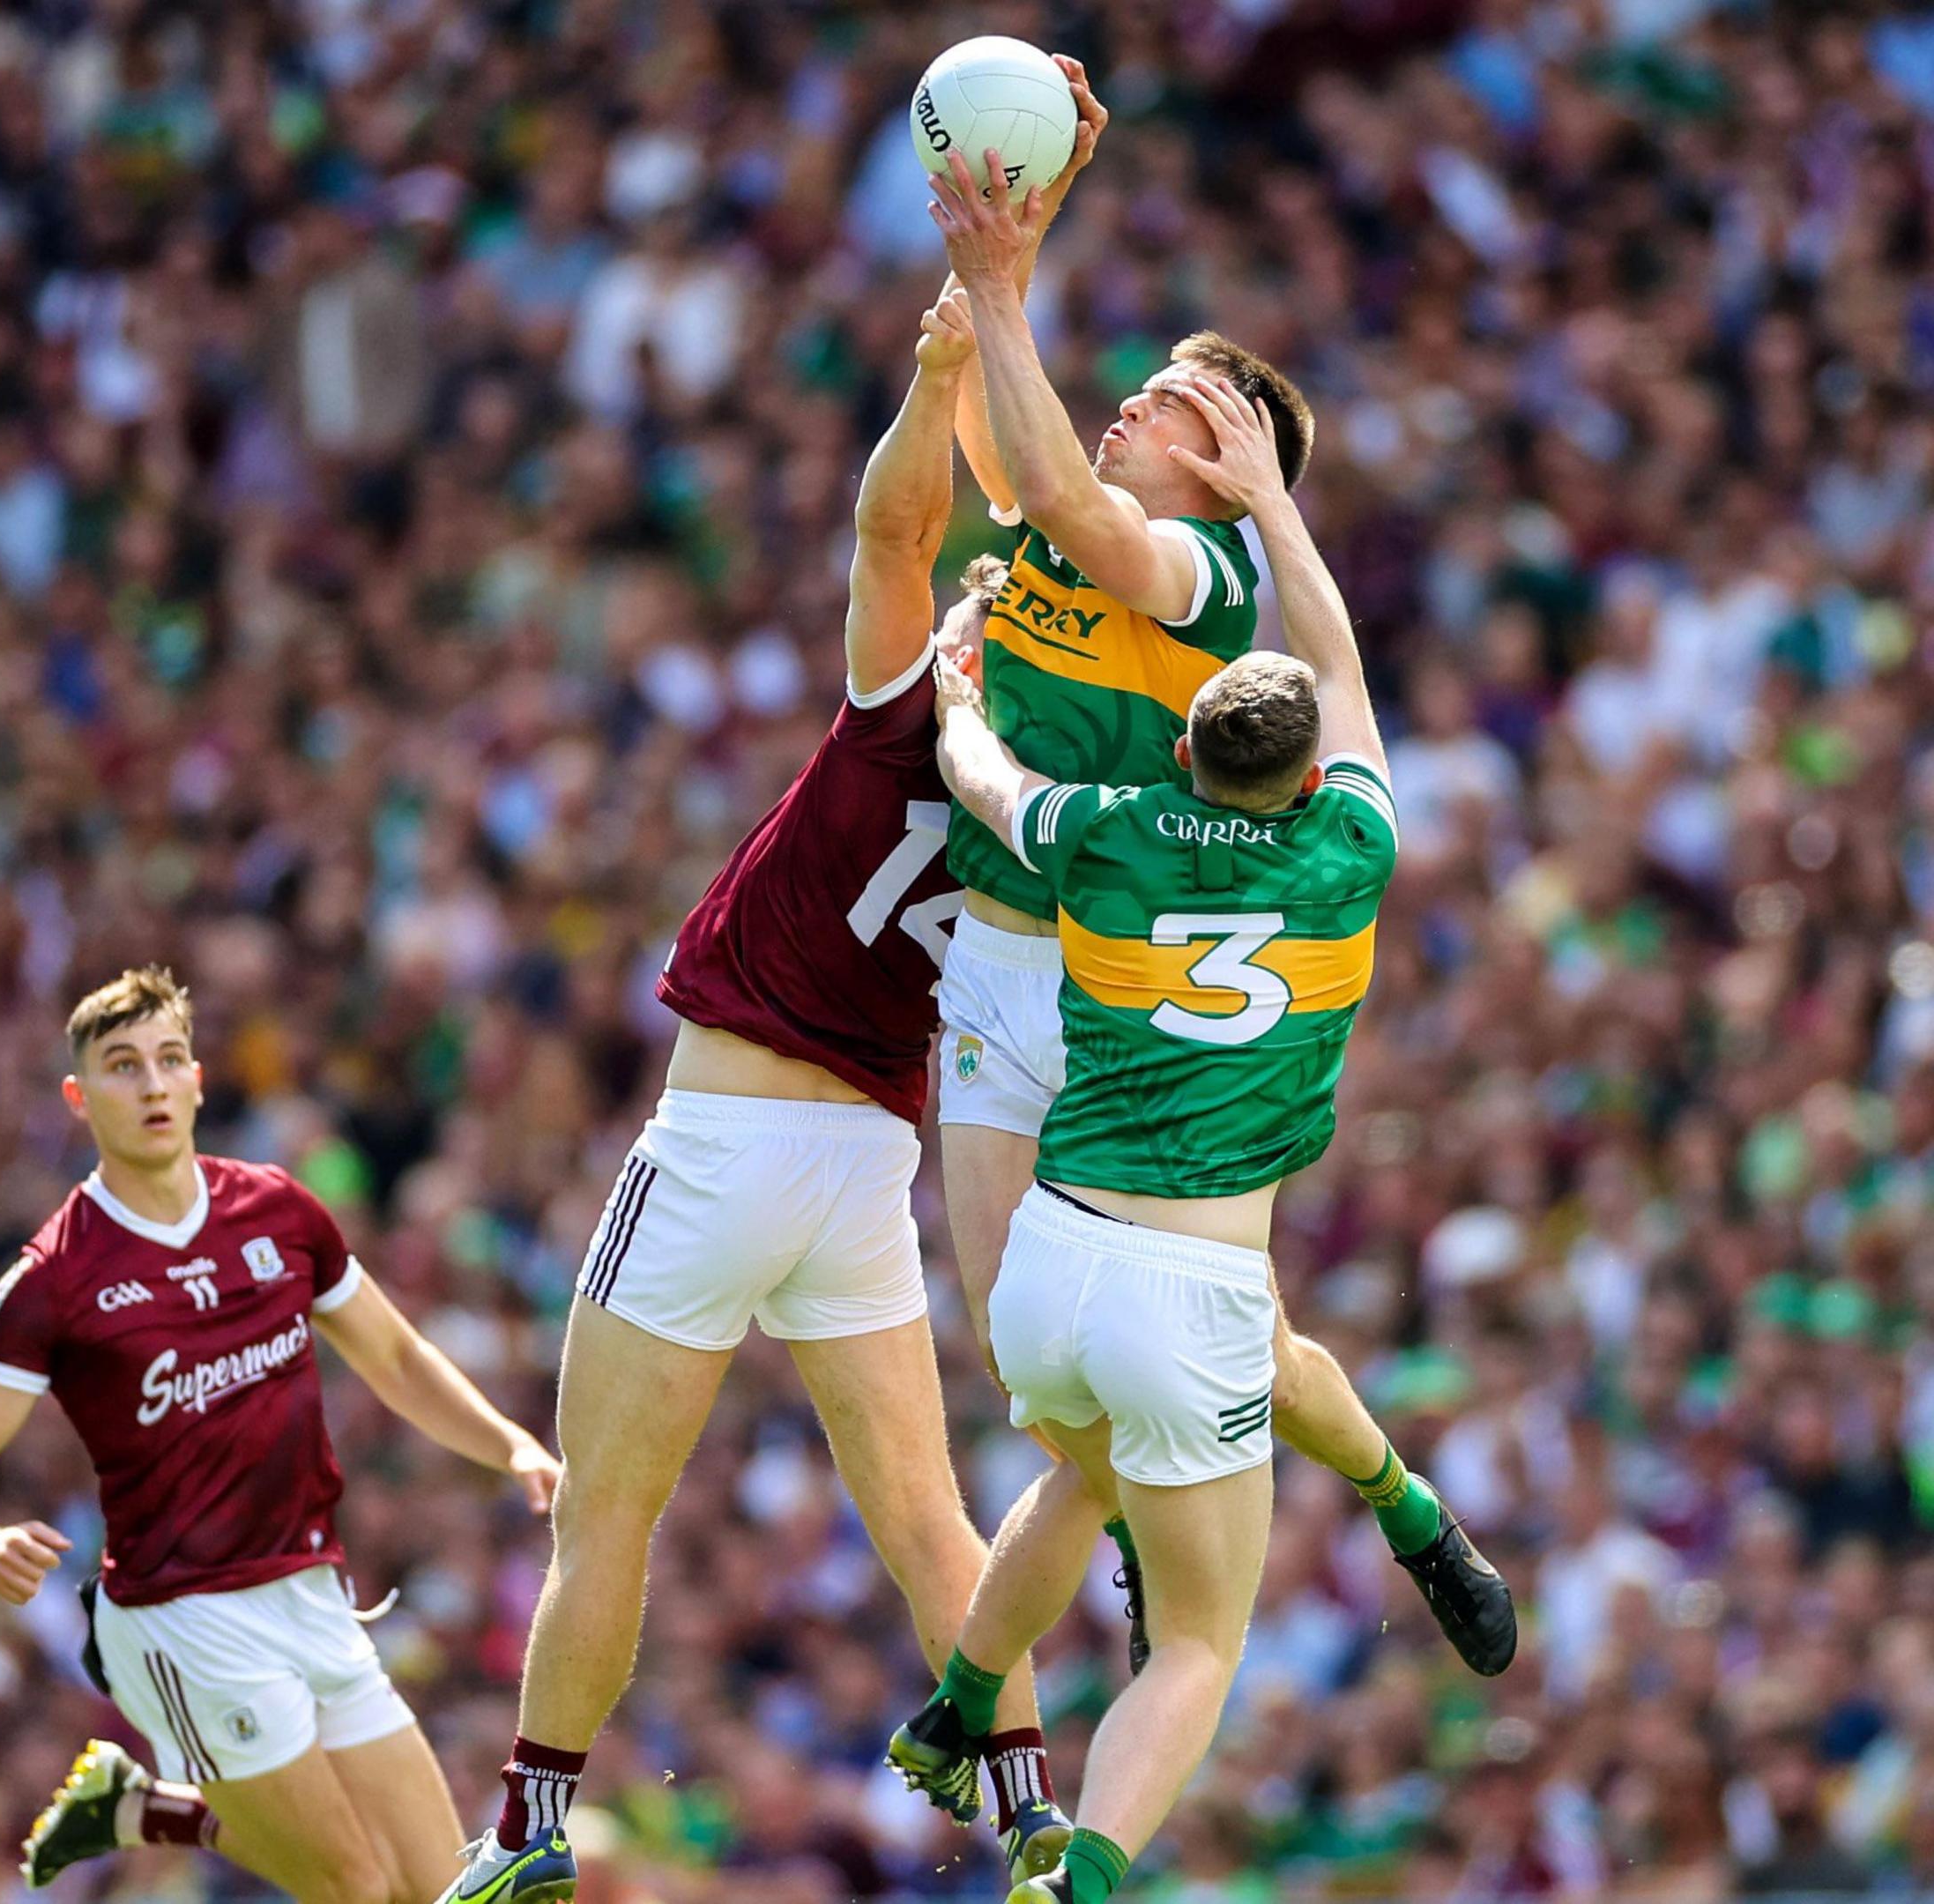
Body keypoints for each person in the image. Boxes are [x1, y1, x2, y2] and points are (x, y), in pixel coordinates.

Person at [443, 293, 1063, 1904]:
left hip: (726, 1140)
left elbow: (891, 529)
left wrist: (934, 381)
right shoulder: (1064, 824)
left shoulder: (897, 724)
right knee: (932, 1530)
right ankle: (1035, 1820)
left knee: (607, 1515)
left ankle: (530, 1832)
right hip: (866, 1165)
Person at [920, 111, 1514, 1679]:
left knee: (1216, 1343)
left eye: (1174, 401)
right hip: (990, 964)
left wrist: (1000, 280)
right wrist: (1015, 230)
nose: (1135, 404)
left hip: (1121, 996)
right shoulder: (1078, 512)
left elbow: (1051, 485)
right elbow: (1009, 447)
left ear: (1233, 466)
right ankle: (1142, 1520)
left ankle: (1398, 1504)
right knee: (1023, 1373)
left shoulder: (1211, 576)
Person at [907, 368, 1400, 1904]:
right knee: (1194, 1631)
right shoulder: (1353, 846)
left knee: (1073, 1451)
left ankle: (958, 1709)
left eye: (1173, 400)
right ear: (1312, 779)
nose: (1137, 406)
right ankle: (1080, 1869)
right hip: (1187, 1284)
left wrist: (955, 694)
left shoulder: (1118, 803)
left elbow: (984, 771)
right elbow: (1343, 664)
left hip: (1064, 1221)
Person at [0, 967, 562, 1904]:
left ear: (200, 1079)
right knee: (359, 1892)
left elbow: (398, 1356)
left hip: (312, 1591)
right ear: (80, 1099)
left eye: (169, 1060)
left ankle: (140, 1809)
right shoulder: (53, 1277)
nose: (153, 1084)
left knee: (446, 1890)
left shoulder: (279, 1211)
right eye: (124, 1067)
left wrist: (511, 1446)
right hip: (183, 1616)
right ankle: (149, 1812)